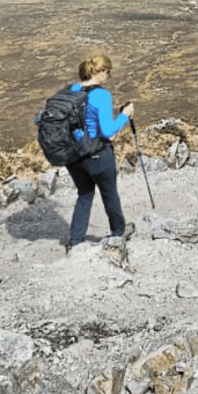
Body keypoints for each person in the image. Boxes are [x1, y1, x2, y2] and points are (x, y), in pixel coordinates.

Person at [66, 54, 135, 250]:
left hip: (76, 156)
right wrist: (125, 115)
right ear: (101, 72)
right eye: (108, 72)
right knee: (109, 193)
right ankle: (118, 232)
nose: (109, 77)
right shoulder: (102, 96)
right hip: (98, 156)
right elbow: (108, 132)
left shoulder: (72, 90)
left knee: (84, 195)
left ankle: (75, 241)